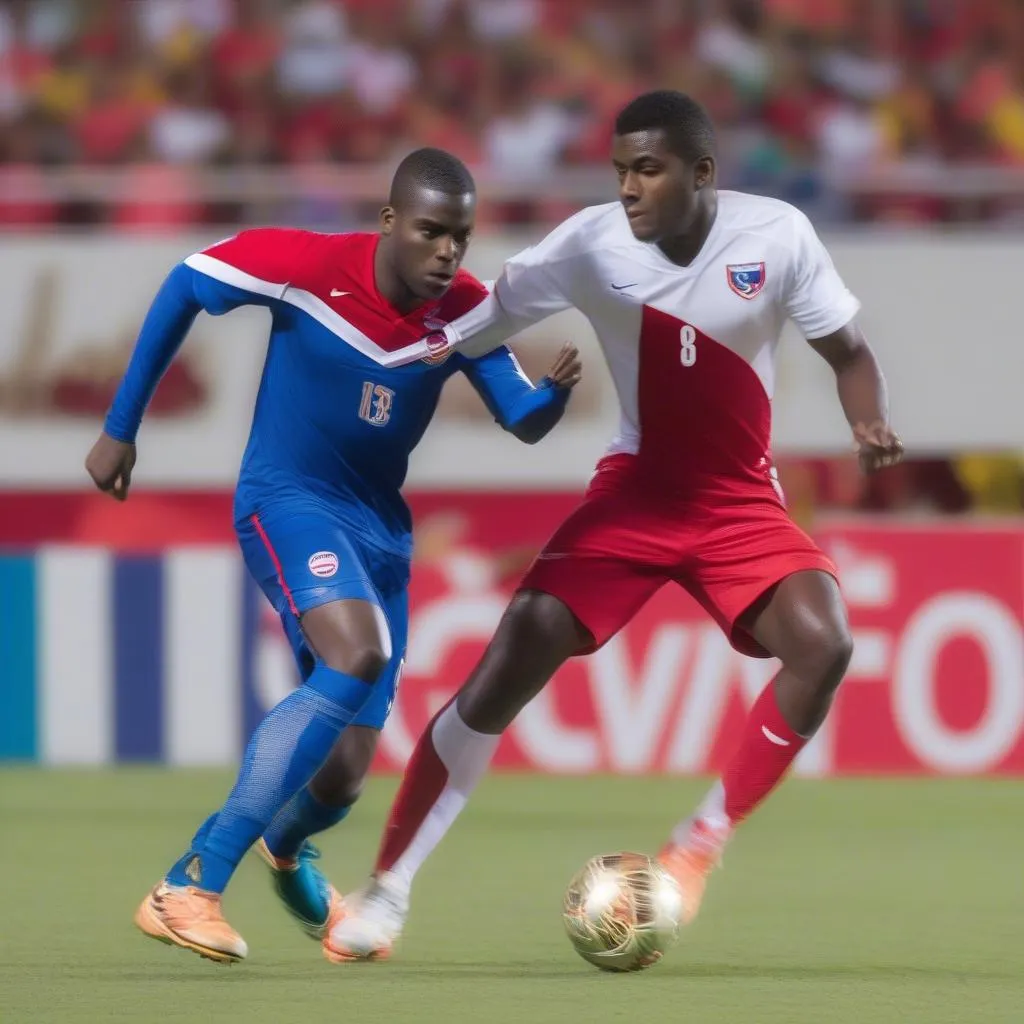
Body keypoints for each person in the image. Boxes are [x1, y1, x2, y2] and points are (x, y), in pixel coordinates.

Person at [325, 91, 904, 962]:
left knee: (824, 642)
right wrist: (378, 361)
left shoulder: (777, 236)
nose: (629, 188)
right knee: (511, 653)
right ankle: (387, 889)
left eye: (649, 169)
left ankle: (699, 843)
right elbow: (473, 324)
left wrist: (868, 422)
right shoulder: (592, 244)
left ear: (702, 174)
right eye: (621, 170)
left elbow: (849, 353)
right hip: (635, 495)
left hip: (738, 500)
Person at [84, 147, 582, 964]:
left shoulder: (466, 308)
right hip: (288, 501)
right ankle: (189, 884)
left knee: (346, 772)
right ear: (390, 222)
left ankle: (286, 849)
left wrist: (551, 399)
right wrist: (120, 426)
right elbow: (184, 283)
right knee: (355, 655)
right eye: (430, 233)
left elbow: (519, 417)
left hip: (379, 531)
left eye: (460, 236)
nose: (448, 253)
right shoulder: (306, 266)